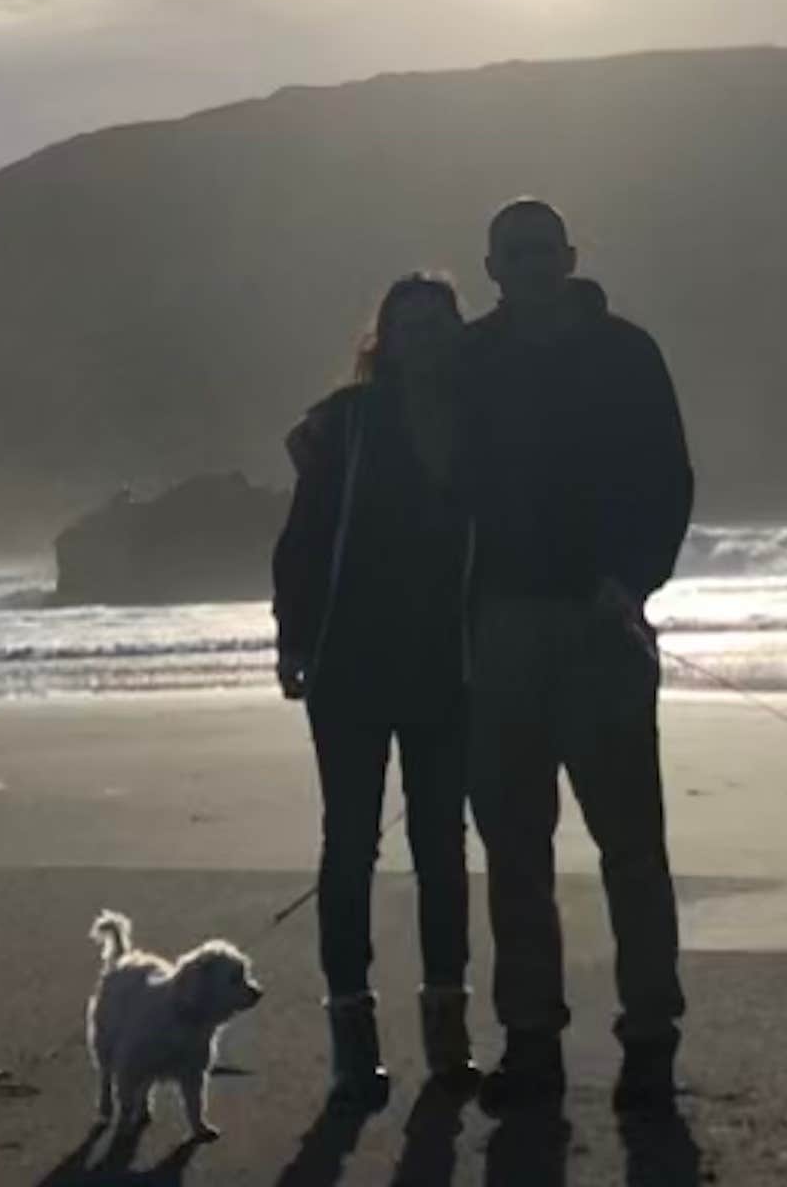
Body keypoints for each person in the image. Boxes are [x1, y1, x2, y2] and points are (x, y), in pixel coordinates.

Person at [452, 196, 693, 1116]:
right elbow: (416, 451)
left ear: (570, 256)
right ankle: (531, 1045)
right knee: (515, 854)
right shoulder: (471, 360)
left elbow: (671, 478)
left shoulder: (627, 352)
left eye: (541, 250)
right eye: (512, 253)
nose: (528, 265)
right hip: (498, 631)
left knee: (631, 849)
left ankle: (651, 1042)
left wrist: (634, 582)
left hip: (603, 626)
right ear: (492, 266)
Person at [271, 269, 478, 1101]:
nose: (424, 337)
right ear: (383, 339)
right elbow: (303, 543)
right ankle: (353, 1038)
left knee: (443, 848)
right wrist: (292, 639)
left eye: (438, 323)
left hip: (448, 667)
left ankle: (447, 1037)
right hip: (350, 666)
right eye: (409, 325)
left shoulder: (480, 423)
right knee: (351, 845)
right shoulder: (346, 426)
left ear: (456, 334)